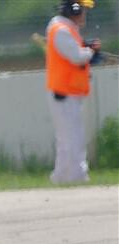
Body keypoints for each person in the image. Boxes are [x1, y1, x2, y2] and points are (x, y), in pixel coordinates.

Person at [45, 0, 101, 184]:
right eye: (82, 10)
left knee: (66, 139)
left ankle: (61, 177)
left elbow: (77, 53)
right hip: (64, 93)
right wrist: (89, 52)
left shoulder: (66, 29)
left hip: (69, 92)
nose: (84, 14)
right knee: (73, 138)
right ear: (73, 11)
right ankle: (78, 176)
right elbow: (76, 56)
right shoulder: (61, 30)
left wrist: (87, 50)